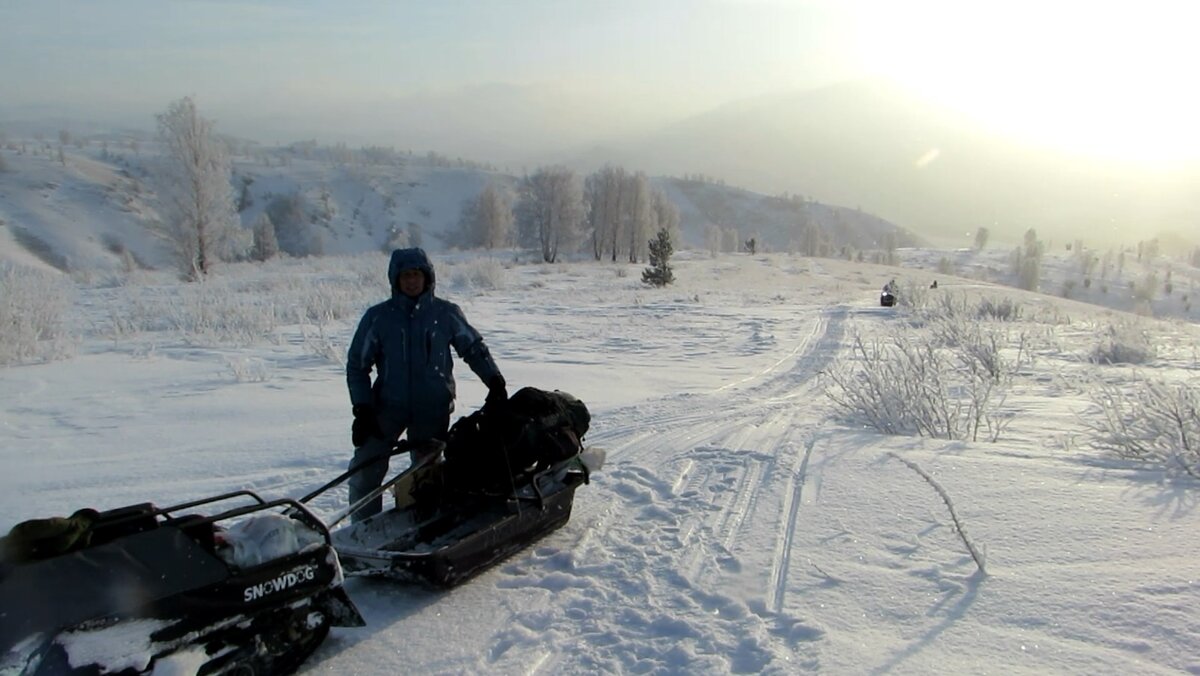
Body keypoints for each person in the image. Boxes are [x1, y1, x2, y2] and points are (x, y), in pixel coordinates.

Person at [344, 247, 507, 522]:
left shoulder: (446, 314)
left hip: (432, 408)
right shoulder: (378, 318)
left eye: (416, 274)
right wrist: (362, 408)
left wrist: (494, 380)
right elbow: (357, 366)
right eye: (405, 275)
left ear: (427, 277)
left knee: (426, 473)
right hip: (386, 407)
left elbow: (474, 348)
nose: (411, 281)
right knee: (365, 468)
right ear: (395, 279)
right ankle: (361, 530)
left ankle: (421, 523)